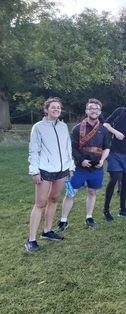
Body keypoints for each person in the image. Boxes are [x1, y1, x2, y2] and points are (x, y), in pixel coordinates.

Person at [25, 97, 75, 252]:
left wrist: (70, 166)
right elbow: (34, 150)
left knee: (54, 199)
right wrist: (34, 170)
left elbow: (68, 148)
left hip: (62, 170)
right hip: (45, 170)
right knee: (40, 203)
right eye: (53, 107)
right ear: (46, 110)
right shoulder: (38, 127)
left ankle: (47, 231)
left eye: (58, 107)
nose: (56, 109)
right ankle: (31, 240)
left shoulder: (63, 127)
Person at [56, 99, 112, 232]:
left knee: (92, 192)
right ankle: (63, 221)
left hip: (96, 168)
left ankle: (89, 217)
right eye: (91, 108)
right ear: (86, 111)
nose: (94, 110)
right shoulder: (77, 128)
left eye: (97, 109)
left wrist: (102, 160)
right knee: (71, 193)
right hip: (79, 167)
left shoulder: (104, 129)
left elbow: (107, 147)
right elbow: (72, 148)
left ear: (100, 112)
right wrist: (81, 160)